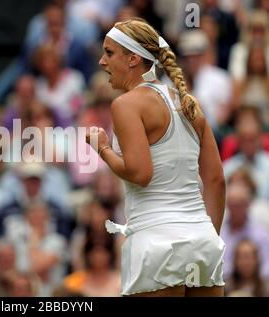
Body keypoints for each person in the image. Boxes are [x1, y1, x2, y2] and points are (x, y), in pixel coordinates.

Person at [86, 18, 226, 297]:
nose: (102, 62)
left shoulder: (125, 105)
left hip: (155, 244)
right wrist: (207, 237)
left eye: (110, 52)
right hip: (202, 240)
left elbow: (140, 173)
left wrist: (102, 149)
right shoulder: (189, 102)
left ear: (133, 59)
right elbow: (216, 180)